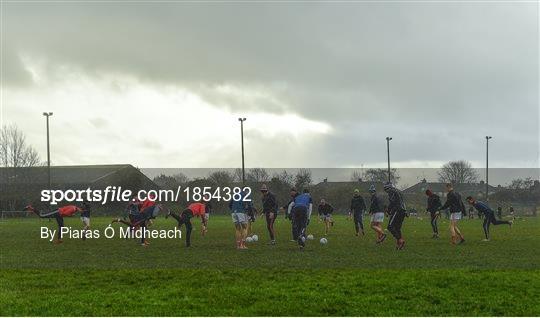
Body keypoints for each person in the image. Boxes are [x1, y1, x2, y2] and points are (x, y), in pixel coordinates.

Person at [384, 183, 406, 250]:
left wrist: (388, 211)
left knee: (390, 227)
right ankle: (399, 245)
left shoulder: (392, 192)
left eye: (386, 190)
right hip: (403, 211)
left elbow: (392, 203)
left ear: (388, 188)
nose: (386, 192)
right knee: (397, 228)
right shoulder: (398, 191)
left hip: (397, 210)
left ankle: (400, 240)